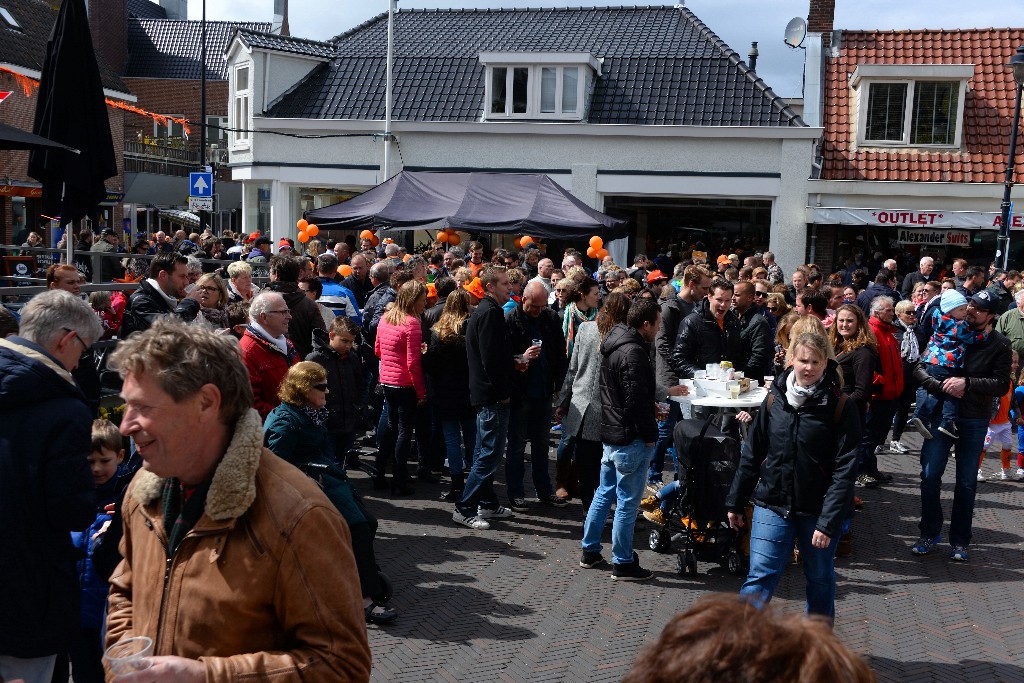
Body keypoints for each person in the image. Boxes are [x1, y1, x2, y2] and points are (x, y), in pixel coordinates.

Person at [105, 319, 371, 681]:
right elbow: (124, 590)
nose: (126, 426)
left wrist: (208, 677)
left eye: (144, 407)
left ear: (206, 402)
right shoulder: (143, 491)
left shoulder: (299, 515)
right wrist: (122, 659)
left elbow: (343, 665)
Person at [0, 291, 101, 683]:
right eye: (85, 349)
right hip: (29, 593)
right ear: (66, 339)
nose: (81, 361)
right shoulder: (62, 407)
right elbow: (71, 509)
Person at [726, 332, 861, 619]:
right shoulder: (774, 400)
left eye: (815, 361)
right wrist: (736, 502)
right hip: (772, 503)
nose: (808, 368)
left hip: (818, 509)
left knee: (820, 577)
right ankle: (738, 644)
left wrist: (828, 522)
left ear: (826, 363)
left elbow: (845, 470)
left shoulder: (840, 406)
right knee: (760, 576)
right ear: (791, 360)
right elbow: (753, 453)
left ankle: (818, 644)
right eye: (803, 360)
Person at [263, 362, 396, 625]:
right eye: (321, 386)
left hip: (329, 480)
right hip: (312, 487)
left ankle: (356, 574)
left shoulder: (310, 414)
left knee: (368, 523)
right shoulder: (286, 423)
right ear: (303, 389)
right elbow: (273, 466)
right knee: (357, 527)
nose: (327, 390)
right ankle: (363, 600)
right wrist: (310, 477)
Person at [911, 290, 1011, 561]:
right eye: (970, 304)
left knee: (965, 483)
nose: (971, 310)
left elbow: (1002, 384)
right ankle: (929, 532)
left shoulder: (999, 344)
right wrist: (938, 385)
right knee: (930, 475)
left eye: (978, 309)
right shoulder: (947, 326)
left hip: (973, 418)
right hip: (940, 415)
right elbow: (921, 366)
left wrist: (966, 383)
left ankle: (960, 540)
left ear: (990, 316)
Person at [579, 298, 662, 581]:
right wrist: (650, 435)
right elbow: (636, 401)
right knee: (627, 501)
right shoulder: (634, 352)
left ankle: (590, 550)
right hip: (629, 436)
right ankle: (623, 561)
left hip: (612, 433)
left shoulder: (615, 344)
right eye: (658, 324)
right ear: (646, 324)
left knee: (604, 492)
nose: (659, 329)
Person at [453, 265, 516, 530]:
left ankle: (487, 502)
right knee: (489, 453)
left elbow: (492, 356)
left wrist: (515, 360)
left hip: (486, 392)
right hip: (491, 395)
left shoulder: (487, 312)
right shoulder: (490, 313)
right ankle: (464, 507)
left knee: (484, 450)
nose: (509, 288)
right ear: (490, 287)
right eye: (503, 284)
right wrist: (502, 393)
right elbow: (490, 360)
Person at [557, 293, 632, 513]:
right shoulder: (624, 337)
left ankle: (589, 510)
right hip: (608, 410)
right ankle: (602, 510)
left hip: (581, 408)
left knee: (586, 465)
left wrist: (563, 400)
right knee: (606, 466)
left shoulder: (586, 329)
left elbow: (573, 369)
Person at [68, 419, 126, 683]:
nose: (96, 469)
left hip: (110, 608)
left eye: (104, 460)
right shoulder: (74, 494)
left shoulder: (125, 495)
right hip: (78, 609)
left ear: (120, 456)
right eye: (89, 461)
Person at [504, 282, 569, 511]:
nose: (538, 310)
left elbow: (560, 354)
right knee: (517, 445)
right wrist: (520, 357)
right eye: (534, 306)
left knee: (542, 444)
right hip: (521, 392)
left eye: (542, 306)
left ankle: (544, 490)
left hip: (543, 391)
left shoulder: (550, 318)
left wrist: (560, 385)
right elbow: (502, 356)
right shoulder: (511, 319)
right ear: (524, 300)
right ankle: (516, 493)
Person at [374, 279, 428, 495]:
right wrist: (421, 392)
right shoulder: (412, 323)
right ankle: (399, 479)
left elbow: (378, 350)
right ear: (413, 301)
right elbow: (413, 364)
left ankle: (379, 472)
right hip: (405, 384)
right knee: (405, 432)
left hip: (386, 380)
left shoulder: (386, 318)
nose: (425, 304)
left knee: (390, 428)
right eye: (423, 301)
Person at [906, 289, 981, 441]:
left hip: (932, 359)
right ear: (950, 310)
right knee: (951, 390)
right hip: (948, 362)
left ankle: (922, 416)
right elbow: (971, 339)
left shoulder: (938, 317)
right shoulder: (958, 325)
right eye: (961, 309)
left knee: (936, 391)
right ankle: (946, 421)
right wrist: (984, 333)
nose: (964, 312)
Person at [425, 289, 477, 501]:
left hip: (445, 391)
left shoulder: (439, 331)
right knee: (473, 439)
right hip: (468, 390)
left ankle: (456, 485)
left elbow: (432, 365)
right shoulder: (471, 327)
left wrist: (424, 356)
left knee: (452, 440)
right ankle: (477, 483)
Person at [307, 316, 366, 471]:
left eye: (352, 341)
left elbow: (360, 384)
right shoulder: (316, 358)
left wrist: (358, 407)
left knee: (341, 463)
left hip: (348, 420)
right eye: (344, 341)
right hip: (326, 424)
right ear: (331, 335)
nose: (348, 345)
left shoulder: (352, 357)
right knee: (329, 464)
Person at [856, 297, 903, 487]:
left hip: (889, 395)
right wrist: (877, 383)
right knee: (867, 437)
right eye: (889, 311)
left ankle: (870, 469)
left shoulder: (888, 333)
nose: (893, 314)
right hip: (878, 396)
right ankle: (861, 472)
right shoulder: (871, 332)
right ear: (877, 313)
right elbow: (867, 364)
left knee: (876, 437)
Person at [241, 292, 299, 420]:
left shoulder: (287, 344)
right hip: (272, 433)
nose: (289, 316)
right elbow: (251, 405)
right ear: (264, 317)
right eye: (283, 312)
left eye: (288, 311)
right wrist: (289, 418)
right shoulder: (247, 352)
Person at [672, 277, 742, 379]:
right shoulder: (692, 322)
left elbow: (737, 355)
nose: (723, 305)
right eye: (719, 300)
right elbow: (679, 359)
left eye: (727, 300)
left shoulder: (733, 322)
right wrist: (704, 376)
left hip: (728, 386)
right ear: (709, 296)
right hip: (699, 387)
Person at [120, 253, 198, 337]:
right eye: (182, 276)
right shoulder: (141, 301)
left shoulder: (164, 297)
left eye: (187, 277)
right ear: (163, 275)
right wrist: (190, 301)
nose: (186, 282)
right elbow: (170, 328)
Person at [265, 255, 327, 360]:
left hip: (267, 363)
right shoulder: (309, 305)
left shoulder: (260, 301)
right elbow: (320, 339)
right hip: (301, 364)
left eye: (270, 272)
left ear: (276, 275)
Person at [828, 304, 876, 424]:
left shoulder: (863, 352)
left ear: (858, 323)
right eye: (841, 320)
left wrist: (840, 408)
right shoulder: (835, 346)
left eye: (849, 321)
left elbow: (862, 392)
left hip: (848, 414)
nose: (844, 325)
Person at [977, 351, 1021, 481]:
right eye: (1014, 362)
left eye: (1017, 362)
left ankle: (1006, 470)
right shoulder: (995, 381)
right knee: (983, 446)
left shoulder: (1011, 382)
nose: (1017, 365)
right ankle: (975, 469)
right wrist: (986, 415)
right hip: (992, 422)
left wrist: (1017, 415)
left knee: (1008, 444)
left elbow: (1013, 402)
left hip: (1004, 422)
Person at [889, 299, 922, 454]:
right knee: (888, 409)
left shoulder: (919, 331)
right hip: (894, 375)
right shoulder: (893, 330)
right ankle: (880, 440)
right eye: (908, 312)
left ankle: (895, 440)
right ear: (899, 314)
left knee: (903, 409)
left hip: (911, 376)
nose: (911, 315)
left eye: (913, 312)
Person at [733, 280, 773, 381]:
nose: (733, 298)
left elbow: (759, 356)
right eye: (733, 294)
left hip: (748, 381)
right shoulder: (731, 317)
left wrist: (742, 376)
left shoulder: (759, 322)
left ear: (750, 297)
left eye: (737, 295)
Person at [563, 277, 600, 359]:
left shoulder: (598, 316)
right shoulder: (564, 316)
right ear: (583, 296)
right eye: (595, 294)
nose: (599, 297)